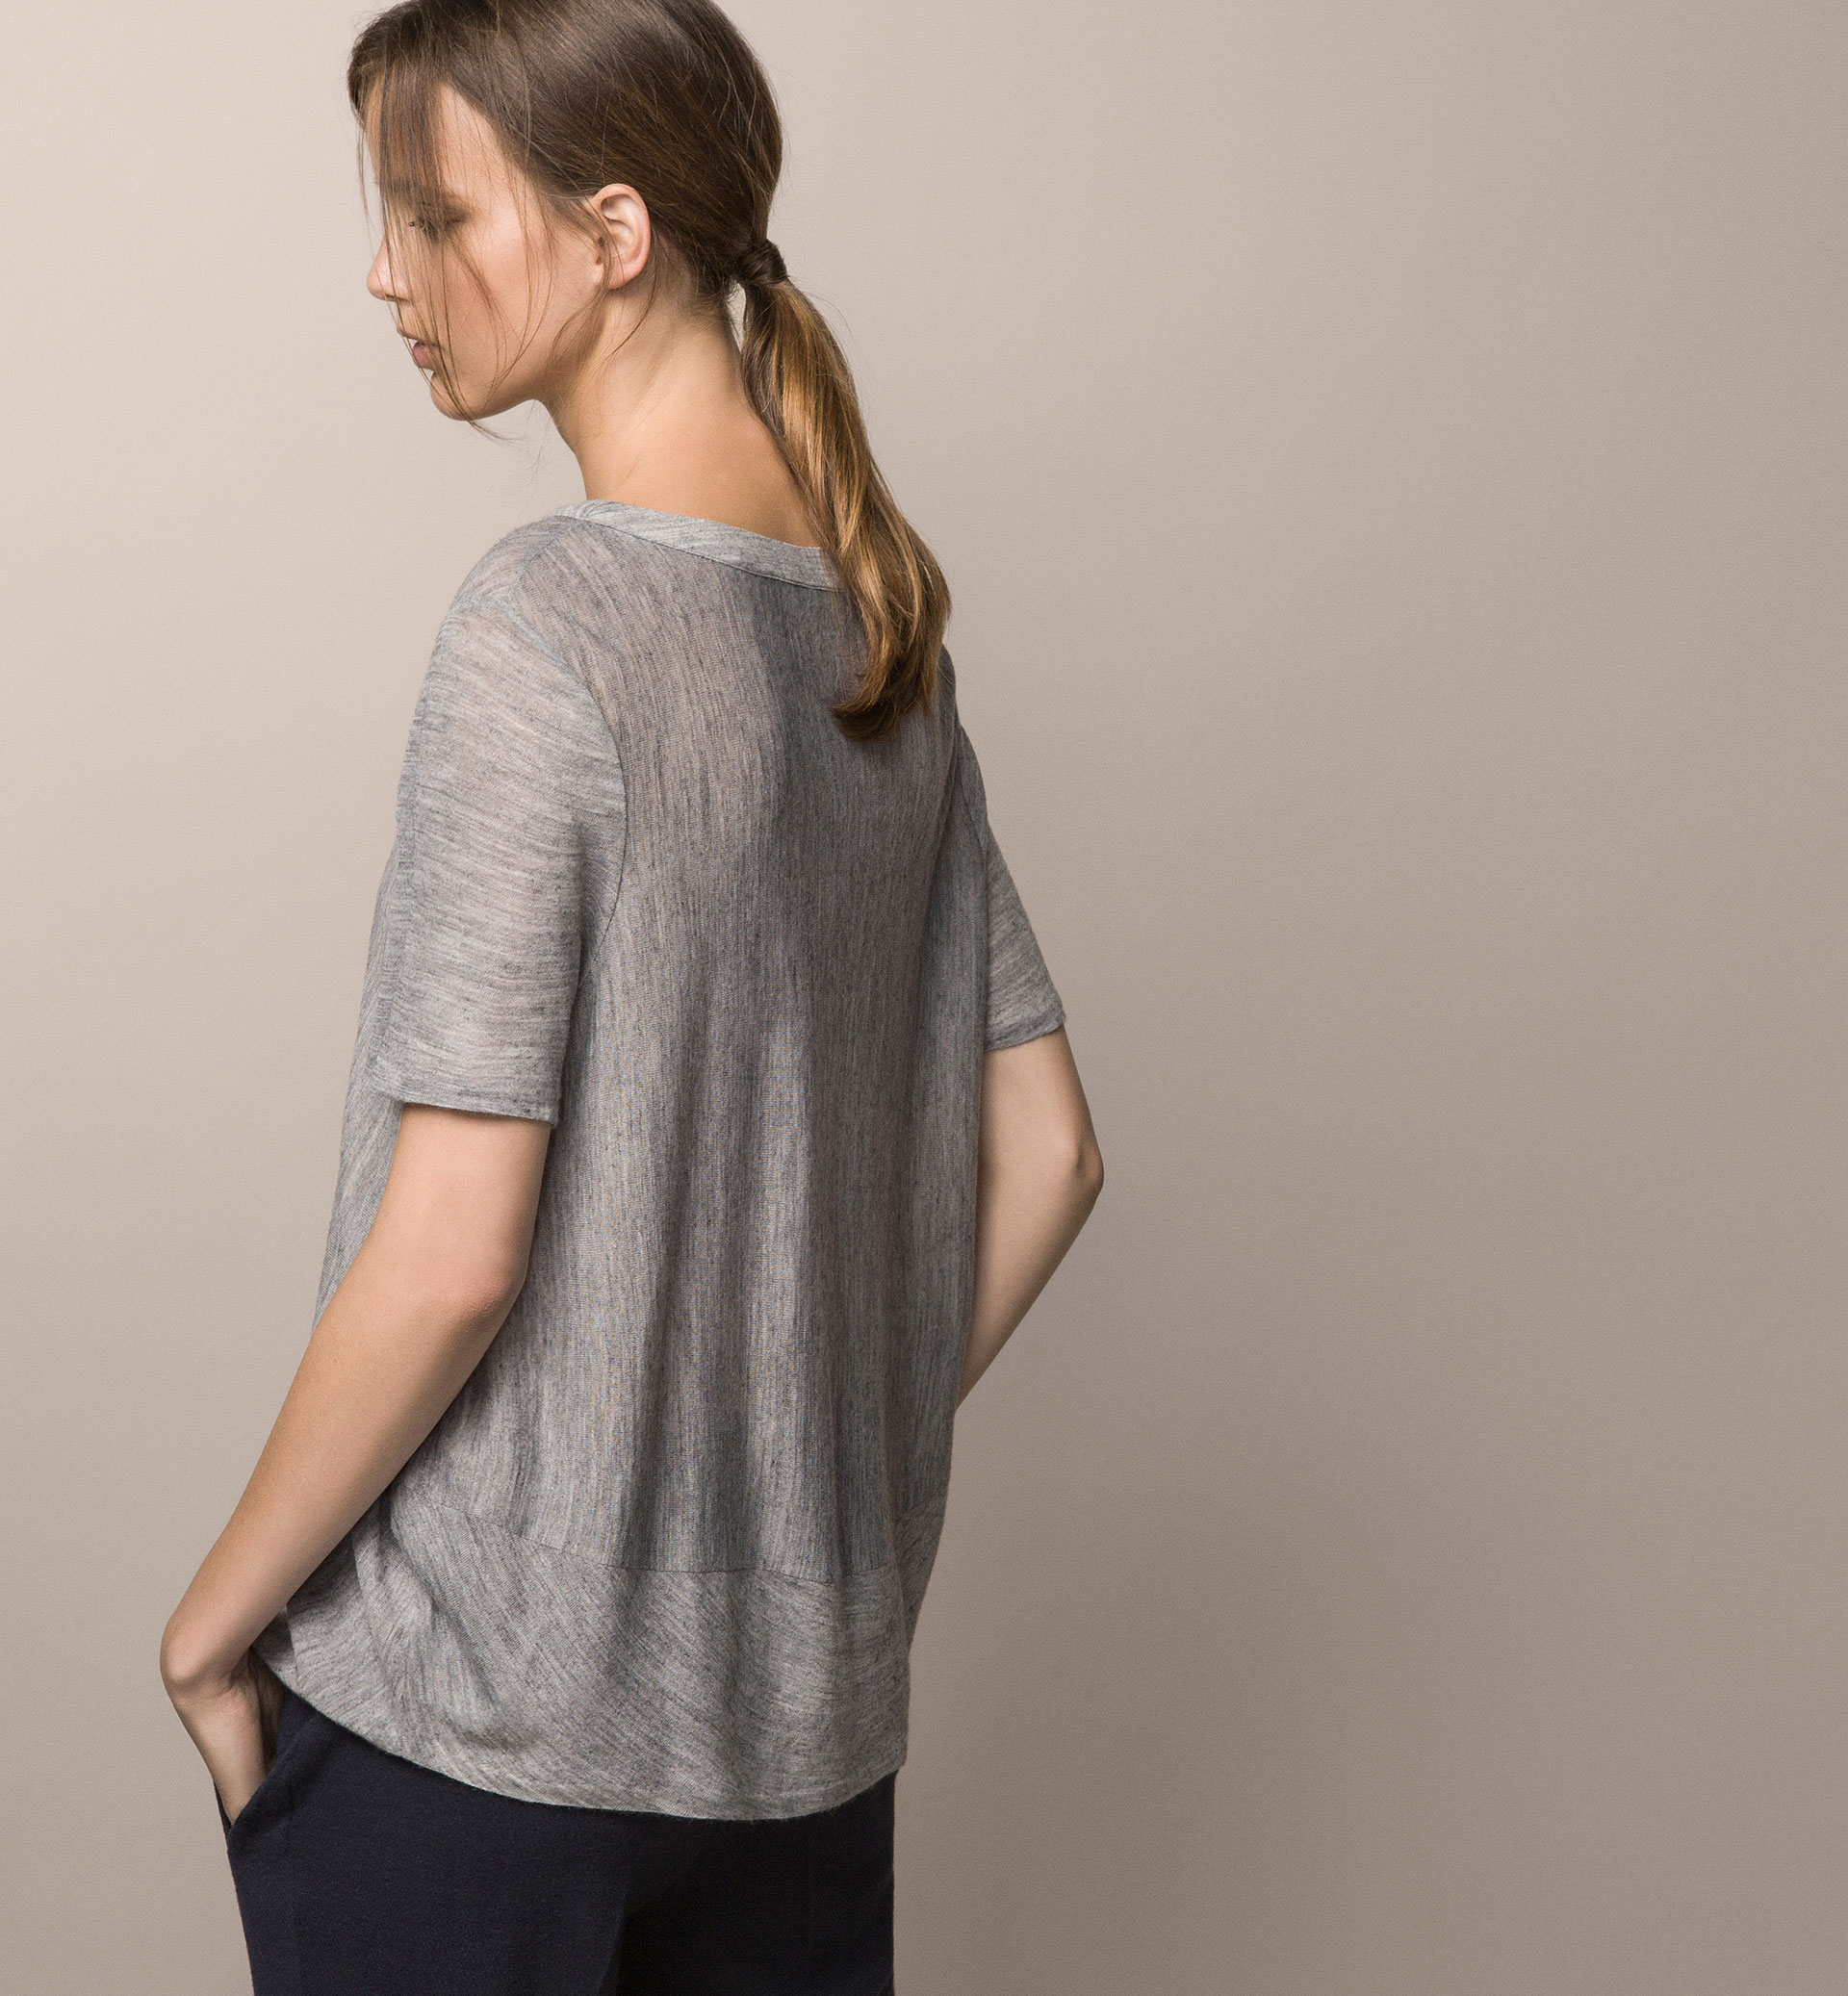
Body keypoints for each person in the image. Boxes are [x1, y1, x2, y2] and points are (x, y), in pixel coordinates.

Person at [158, 0, 1104, 1987]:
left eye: (434, 212)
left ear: (613, 234)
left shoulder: (547, 625)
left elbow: (453, 1254)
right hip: (802, 1755)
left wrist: (211, 1626)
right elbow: (1051, 1151)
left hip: (478, 1742)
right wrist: (786, 1467)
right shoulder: (879, 641)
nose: (387, 270)